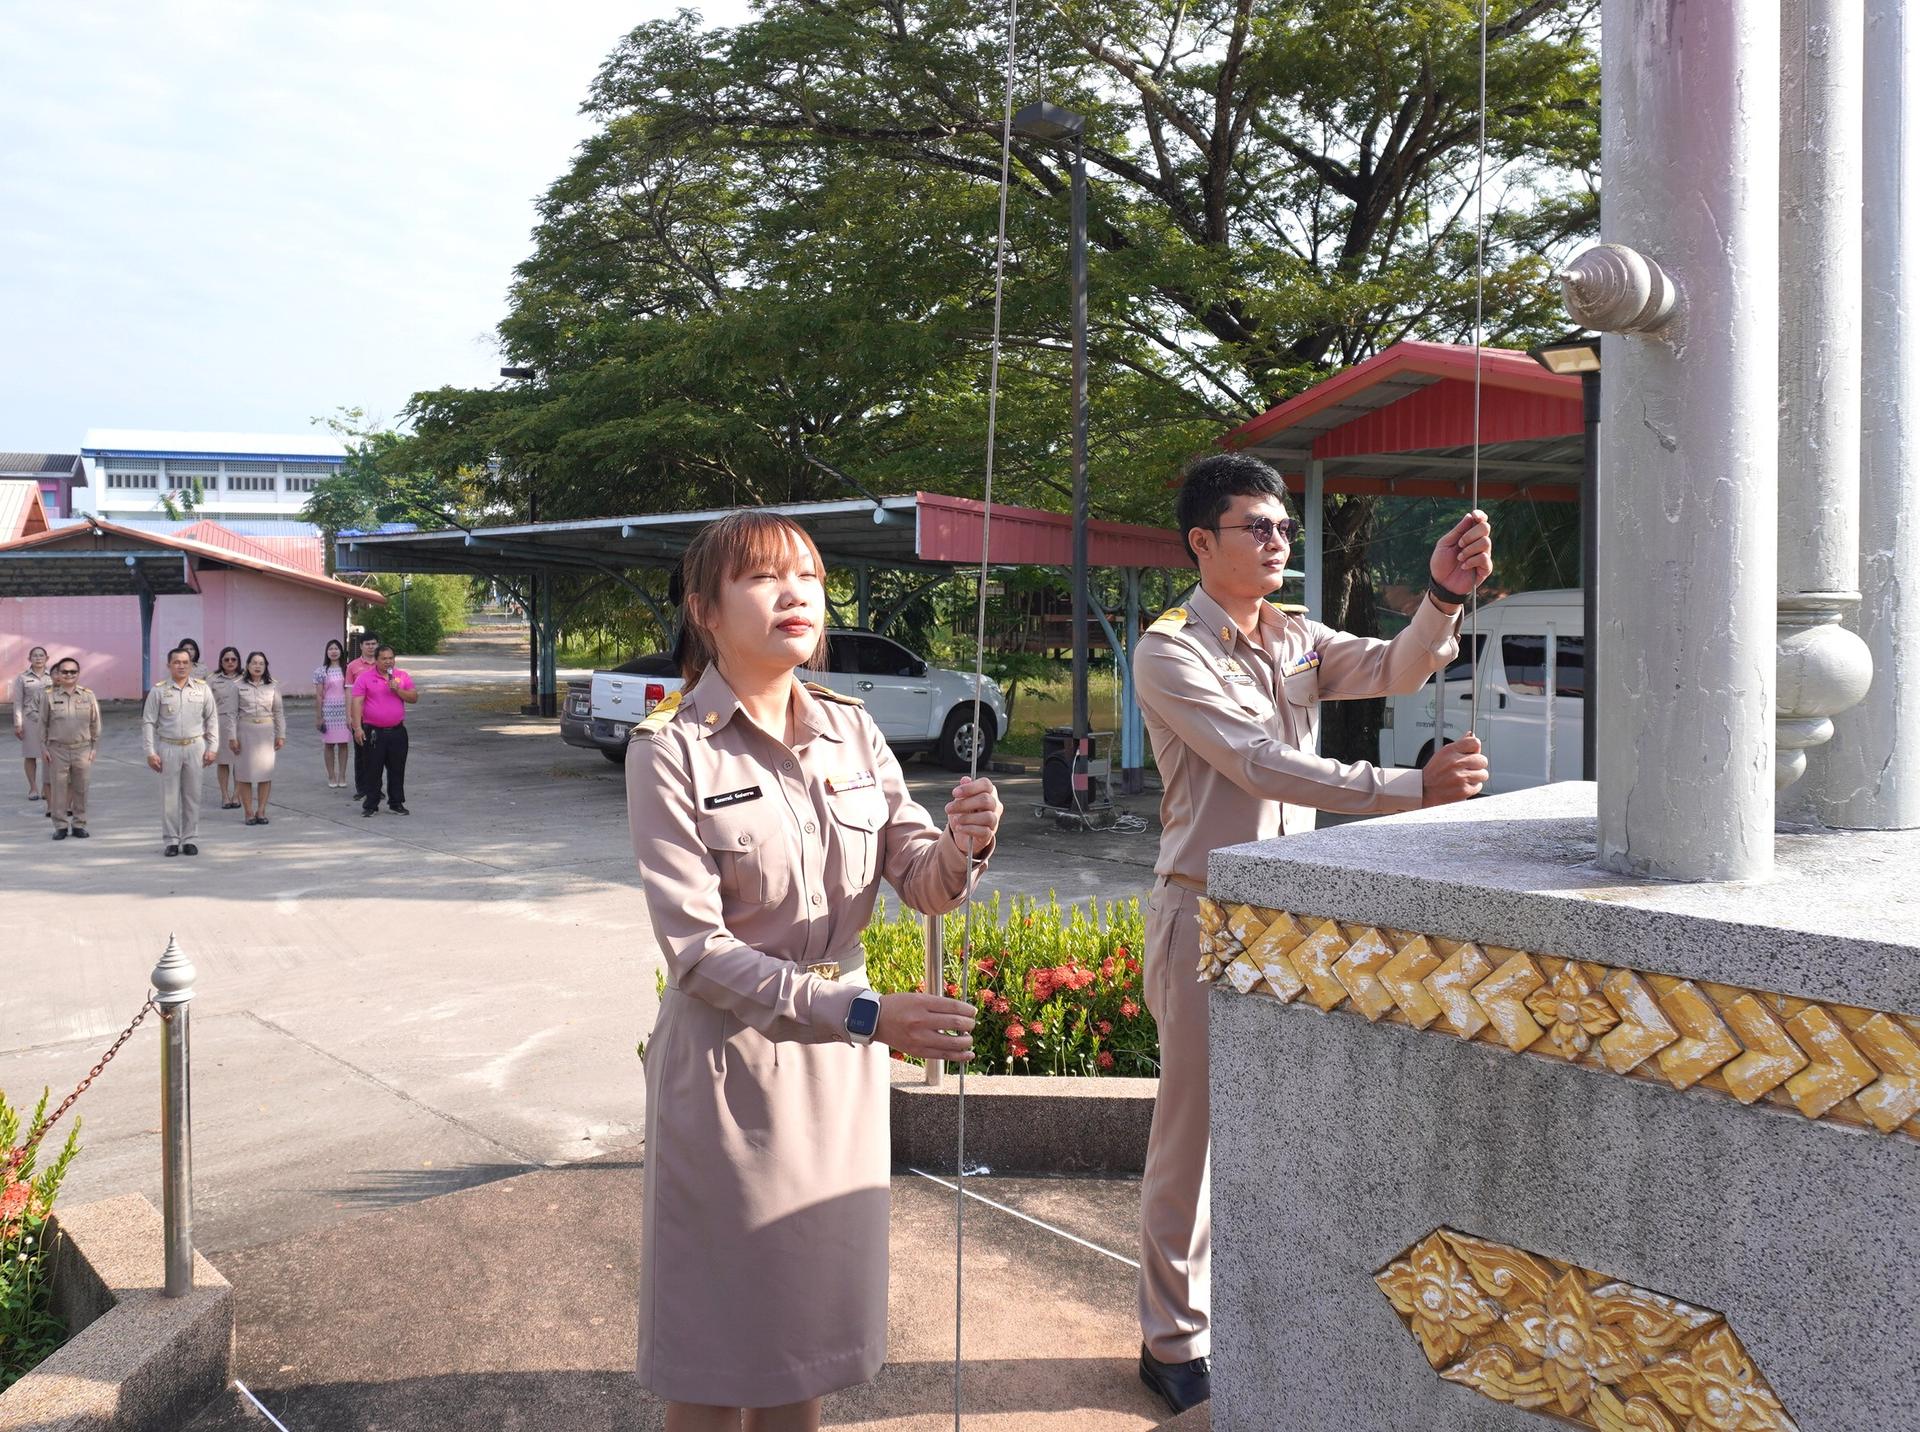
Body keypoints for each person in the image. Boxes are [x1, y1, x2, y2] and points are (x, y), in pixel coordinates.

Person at [1129, 452, 1493, 1416]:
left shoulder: (1293, 633)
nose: (1278, 541)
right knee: (1192, 1139)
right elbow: (1260, 764)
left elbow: (1392, 669)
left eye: (1284, 527)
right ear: (1202, 542)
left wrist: (1442, 600)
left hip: (1286, 922)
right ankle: (1171, 1338)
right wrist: (1410, 790)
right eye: (1256, 526)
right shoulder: (1170, 651)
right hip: (1204, 910)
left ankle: (1259, 1309)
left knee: (1290, 1124)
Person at [625, 510, 1000, 1430]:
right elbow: (698, 952)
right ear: (705, 610)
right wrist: (868, 1014)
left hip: (837, 1074)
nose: (795, 595)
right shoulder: (670, 749)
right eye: (763, 578)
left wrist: (965, 843)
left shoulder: (850, 729)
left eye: (812, 578)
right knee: (717, 1354)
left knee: (802, 1341)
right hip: (731, 1071)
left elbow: (920, 878)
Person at [141, 646, 219, 857]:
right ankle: (172, 840)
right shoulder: (159, 691)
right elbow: (148, 722)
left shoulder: (202, 689)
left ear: (191, 665)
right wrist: (150, 751)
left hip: (195, 746)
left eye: (185, 662)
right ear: (169, 665)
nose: (181, 666)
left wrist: (213, 747)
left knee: (193, 795)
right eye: (177, 662)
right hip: (169, 747)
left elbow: (211, 718)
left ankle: (190, 838)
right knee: (169, 797)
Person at [351, 645, 417, 815]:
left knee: (397, 769)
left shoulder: (402, 676)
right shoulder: (364, 678)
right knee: (373, 769)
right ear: (377, 660)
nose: (388, 661)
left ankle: (396, 803)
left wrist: (397, 689)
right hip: (374, 732)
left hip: (397, 731)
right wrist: (357, 728)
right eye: (384, 658)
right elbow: (357, 703)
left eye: (391, 658)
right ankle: (371, 805)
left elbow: (414, 698)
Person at [39, 657, 99, 841]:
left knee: (81, 788)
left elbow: (95, 722)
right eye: (65, 672)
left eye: (73, 672)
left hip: (82, 749)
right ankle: (61, 826)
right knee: (59, 789)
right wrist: (44, 747)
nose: (69, 675)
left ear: (78, 674)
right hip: (58, 749)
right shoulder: (49, 696)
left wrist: (94, 747)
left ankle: (79, 824)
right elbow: (42, 724)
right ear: (58, 674)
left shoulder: (88, 695)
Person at [231, 651, 287, 825]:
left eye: (261, 663)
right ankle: (248, 812)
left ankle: (261, 810)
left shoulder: (273, 686)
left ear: (265, 666)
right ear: (247, 666)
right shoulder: (237, 685)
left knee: (265, 773)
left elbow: (278, 712)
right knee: (244, 773)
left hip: (266, 731)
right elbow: (232, 714)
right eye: (254, 663)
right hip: (245, 731)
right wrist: (232, 737)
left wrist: (281, 734)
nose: (257, 666)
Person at [11, 645, 51, 804]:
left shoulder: (53, 676)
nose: (38, 658)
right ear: (29, 659)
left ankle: (45, 788)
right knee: (30, 755)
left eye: (41, 655)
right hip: (30, 720)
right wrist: (18, 724)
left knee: (48, 755)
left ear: (47, 658)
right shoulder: (22, 678)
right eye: (35, 655)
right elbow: (18, 702)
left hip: (50, 720)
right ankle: (33, 787)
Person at [345, 634, 381, 800]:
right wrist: (349, 715)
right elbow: (349, 692)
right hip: (360, 717)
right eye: (367, 644)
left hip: (379, 716)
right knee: (361, 754)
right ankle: (362, 788)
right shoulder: (353, 666)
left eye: (374, 644)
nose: (371, 647)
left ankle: (376, 788)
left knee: (379, 756)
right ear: (361, 646)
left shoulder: (383, 664)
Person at [209, 646, 244, 810]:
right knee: (223, 762)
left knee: (240, 761)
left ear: (238, 661)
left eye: (233, 659)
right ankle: (225, 795)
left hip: (242, 723)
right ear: (221, 662)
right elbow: (206, 705)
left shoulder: (247, 678)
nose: (230, 662)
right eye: (226, 659)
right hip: (221, 723)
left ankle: (237, 795)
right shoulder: (213, 680)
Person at [314, 639, 352, 787]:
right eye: (331, 649)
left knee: (343, 744)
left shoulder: (348, 669)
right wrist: (319, 716)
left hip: (344, 711)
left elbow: (351, 691)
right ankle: (331, 776)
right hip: (328, 712)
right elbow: (318, 695)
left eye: (336, 648)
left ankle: (342, 776)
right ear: (327, 652)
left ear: (341, 651)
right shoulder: (321, 671)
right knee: (329, 745)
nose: (334, 651)